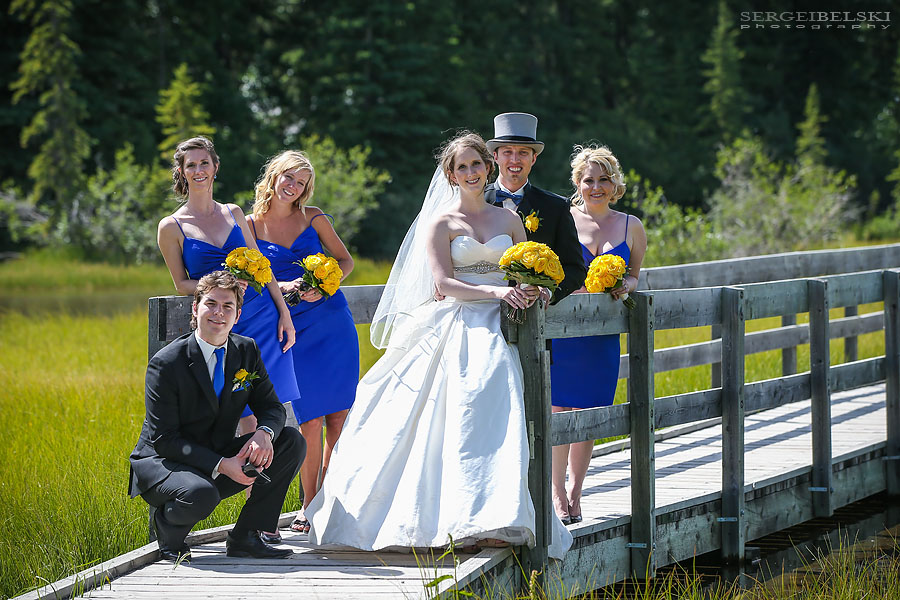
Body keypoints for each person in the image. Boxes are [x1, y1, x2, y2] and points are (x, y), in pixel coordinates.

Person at [305, 132, 572, 559]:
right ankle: (452, 520)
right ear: (450, 174)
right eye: (461, 167)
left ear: (488, 168)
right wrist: (498, 294)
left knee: (495, 412)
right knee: (462, 407)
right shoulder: (441, 223)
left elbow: (520, 271)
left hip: (507, 321)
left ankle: (494, 517)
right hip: (462, 319)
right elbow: (444, 283)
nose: (470, 172)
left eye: (476, 164)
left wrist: (531, 288)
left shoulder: (508, 219)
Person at [128, 271, 306, 561]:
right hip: (164, 461)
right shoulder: (167, 363)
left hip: (217, 449)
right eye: (211, 304)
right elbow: (164, 439)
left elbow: (272, 407)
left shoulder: (245, 350)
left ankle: (247, 536)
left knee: (290, 441)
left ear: (237, 316)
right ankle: (168, 529)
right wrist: (223, 465)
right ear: (195, 307)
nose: (218, 313)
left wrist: (264, 434)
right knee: (202, 494)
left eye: (227, 307)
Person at [246, 150, 360, 536]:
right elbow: (251, 274)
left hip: (333, 322)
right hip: (292, 326)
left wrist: (326, 282)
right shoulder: (249, 224)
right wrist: (286, 287)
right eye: (288, 178)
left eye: (301, 182)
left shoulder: (314, 217)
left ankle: (333, 500)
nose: (293, 186)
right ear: (274, 177)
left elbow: (345, 261)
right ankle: (308, 506)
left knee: (340, 418)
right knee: (309, 419)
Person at [156, 136, 301, 437]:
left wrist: (284, 313)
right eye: (191, 165)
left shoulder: (234, 213)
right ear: (182, 171)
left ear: (215, 167)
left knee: (276, 410)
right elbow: (182, 283)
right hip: (223, 325)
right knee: (243, 415)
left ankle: (266, 485)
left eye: (204, 163)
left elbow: (262, 268)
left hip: (264, 318)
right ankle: (244, 481)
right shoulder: (171, 227)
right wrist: (222, 284)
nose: (199, 170)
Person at [550, 145, 647, 525]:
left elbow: (636, 274)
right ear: (578, 183)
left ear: (614, 183)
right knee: (558, 410)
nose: (596, 186)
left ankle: (576, 490)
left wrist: (627, 285)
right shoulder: (564, 220)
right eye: (588, 179)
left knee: (589, 412)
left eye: (603, 179)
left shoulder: (631, 226)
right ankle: (557, 494)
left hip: (602, 337)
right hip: (564, 332)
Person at [483, 112, 586, 304]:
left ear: (533, 158)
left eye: (523, 152)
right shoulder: (475, 201)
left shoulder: (556, 207)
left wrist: (547, 292)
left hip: (533, 319)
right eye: (507, 152)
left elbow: (575, 269)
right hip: (480, 310)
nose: (515, 160)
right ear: (495, 156)